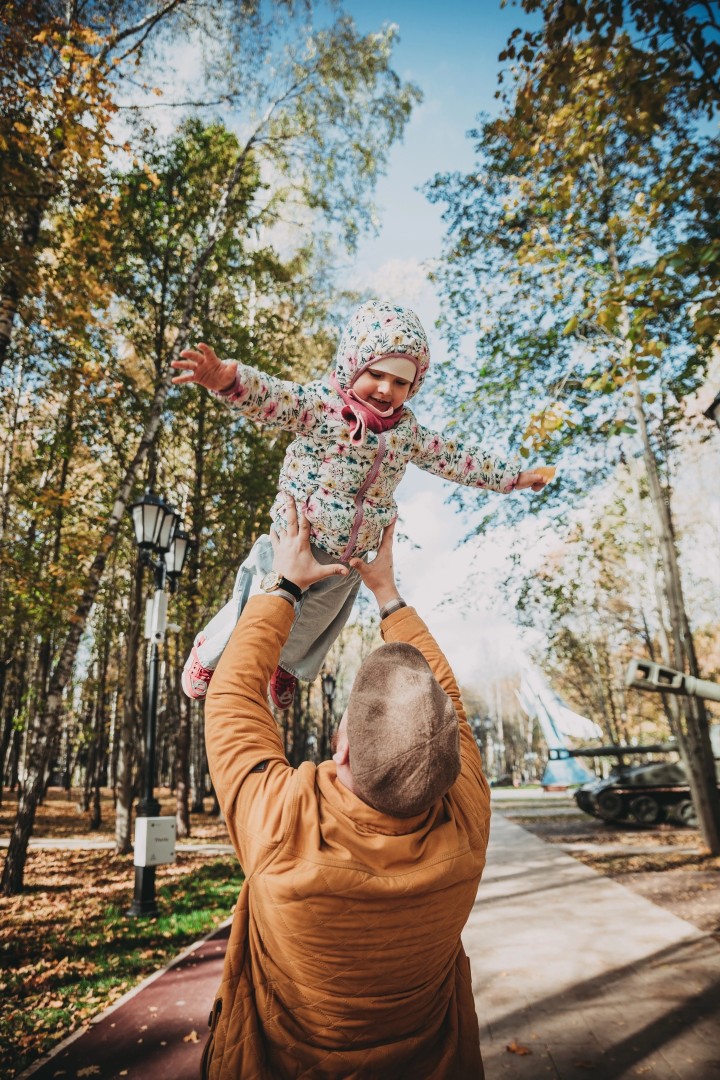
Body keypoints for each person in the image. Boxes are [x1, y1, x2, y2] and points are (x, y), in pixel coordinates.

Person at [202, 500, 492, 1079]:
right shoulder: (466, 827)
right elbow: (234, 699)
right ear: (449, 759)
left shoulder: (284, 825)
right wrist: (371, 593)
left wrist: (290, 584)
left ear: (342, 751)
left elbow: (230, 696)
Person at [171, 300, 548, 709]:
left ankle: (286, 665)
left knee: (317, 621)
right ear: (353, 366)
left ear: (414, 386)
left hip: (350, 556)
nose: (387, 389)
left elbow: (458, 459)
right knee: (256, 606)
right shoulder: (322, 407)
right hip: (297, 541)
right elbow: (276, 399)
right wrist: (230, 381)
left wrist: (514, 478)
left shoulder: (407, 433)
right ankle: (208, 653)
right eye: (376, 374)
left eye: (401, 382)